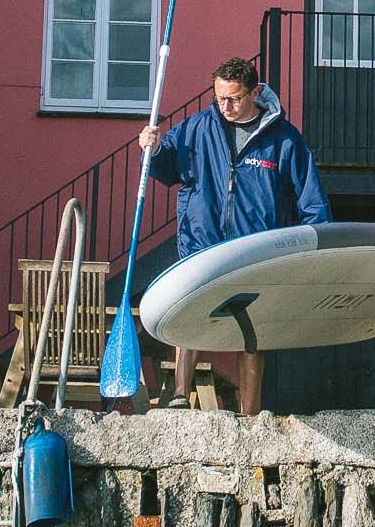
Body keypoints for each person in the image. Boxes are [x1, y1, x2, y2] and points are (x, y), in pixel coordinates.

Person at [137, 57, 331, 414]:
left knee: (254, 334)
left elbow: (310, 197)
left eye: (234, 98)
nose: (225, 106)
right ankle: (180, 396)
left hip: (255, 252)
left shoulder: (284, 139)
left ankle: (250, 415)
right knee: (188, 318)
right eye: (219, 97)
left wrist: (318, 245)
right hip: (201, 245)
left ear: (255, 93)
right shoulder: (198, 127)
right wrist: (154, 148)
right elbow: (166, 170)